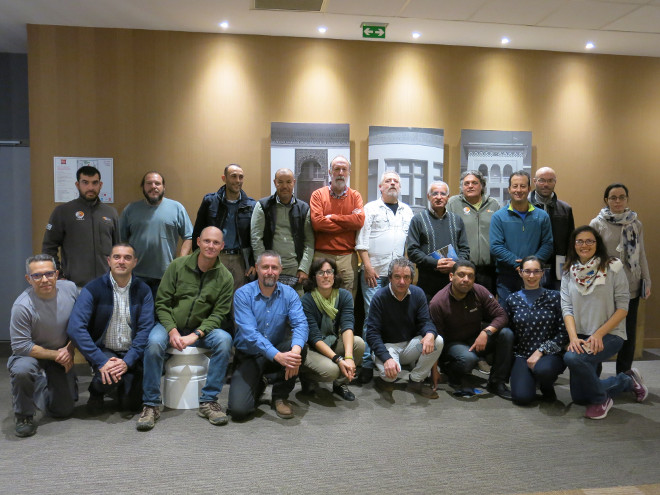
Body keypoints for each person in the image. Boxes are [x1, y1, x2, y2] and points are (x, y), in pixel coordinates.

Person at [137, 227, 234, 431]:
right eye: (207, 241)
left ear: (222, 246)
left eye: (216, 243)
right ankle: (151, 404)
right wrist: (172, 330)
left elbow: (219, 314)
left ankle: (208, 401)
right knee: (154, 344)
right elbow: (162, 303)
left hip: (200, 331)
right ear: (198, 241)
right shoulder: (177, 266)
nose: (211, 246)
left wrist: (196, 334)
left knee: (225, 340)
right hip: (169, 325)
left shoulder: (225, 277)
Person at [561, 226, 648, 420]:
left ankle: (601, 399)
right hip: (581, 336)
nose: (584, 245)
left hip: (610, 334)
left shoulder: (613, 266)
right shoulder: (569, 271)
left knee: (573, 359)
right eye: (580, 241)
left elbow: (623, 307)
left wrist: (599, 334)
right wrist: (573, 338)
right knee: (580, 397)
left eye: (589, 241)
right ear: (573, 245)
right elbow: (566, 308)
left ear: (597, 243)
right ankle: (626, 380)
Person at [67, 243, 154, 414]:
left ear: (135, 262)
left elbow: (145, 329)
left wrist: (127, 361)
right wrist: (101, 360)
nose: (121, 261)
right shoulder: (92, 289)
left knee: (133, 405)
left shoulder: (143, 290)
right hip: (104, 351)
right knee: (109, 376)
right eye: (117, 257)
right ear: (109, 261)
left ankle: (121, 387)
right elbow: (75, 328)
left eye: (127, 258)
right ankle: (97, 392)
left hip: (132, 353)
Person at [229, 251, 309, 420]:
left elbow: (301, 324)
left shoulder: (290, 294)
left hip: (277, 351)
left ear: (280, 270)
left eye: (274, 267)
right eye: (265, 267)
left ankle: (280, 396)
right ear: (257, 268)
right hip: (249, 354)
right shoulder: (243, 294)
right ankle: (262, 381)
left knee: (299, 347)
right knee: (239, 411)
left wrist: (294, 352)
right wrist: (277, 355)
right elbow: (250, 334)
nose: (270, 271)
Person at [8, 254, 78, 437]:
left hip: (61, 351)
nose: (44, 279)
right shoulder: (22, 306)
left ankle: (43, 383)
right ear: (28, 279)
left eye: (49, 274)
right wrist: (57, 355)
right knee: (22, 370)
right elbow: (21, 346)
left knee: (63, 411)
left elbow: (81, 324)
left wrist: (69, 348)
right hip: (30, 355)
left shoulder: (70, 289)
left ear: (56, 274)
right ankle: (23, 415)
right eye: (37, 276)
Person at [355, 171, 413, 383]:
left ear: (400, 187)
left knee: (394, 317)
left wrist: (407, 273)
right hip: (375, 273)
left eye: (396, 181)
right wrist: (368, 267)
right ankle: (368, 365)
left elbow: (409, 245)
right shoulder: (370, 209)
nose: (392, 184)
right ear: (380, 187)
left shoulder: (407, 211)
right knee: (372, 316)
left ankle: (387, 359)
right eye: (387, 181)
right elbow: (361, 241)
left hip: (398, 277)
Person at [429, 260, 513, 400]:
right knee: (468, 359)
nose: (466, 279)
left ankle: (496, 382)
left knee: (506, 334)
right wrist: (434, 371)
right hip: (452, 345)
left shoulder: (479, 291)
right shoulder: (438, 302)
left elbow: (502, 315)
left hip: (475, 338)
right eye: (461, 275)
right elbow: (435, 339)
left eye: (470, 276)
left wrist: (486, 331)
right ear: (451, 276)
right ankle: (453, 375)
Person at [590, 183, 651, 375]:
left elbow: (641, 255)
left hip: (631, 285)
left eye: (621, 197)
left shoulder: (635, 223)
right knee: (601, 330)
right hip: (606, 286)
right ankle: (595, 374)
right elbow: (592, 256)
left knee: (628, 333)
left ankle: (624, 374)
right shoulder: (597, 223)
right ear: (606, 200)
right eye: (613, 197)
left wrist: (646, 281)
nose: (617, 201)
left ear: (626, 199)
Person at [365, 258, 443, 399]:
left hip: (409, 347)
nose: (402, 282)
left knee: (438, 340)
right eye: (397, 277)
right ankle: (384, 379)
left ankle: (416, 381)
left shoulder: (418, 293)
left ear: (412, 279)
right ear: (390, 278)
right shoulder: (379, 297)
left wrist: (430, 334)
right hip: (387, 347)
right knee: (390, 376)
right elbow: (372, 334)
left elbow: (426, 321)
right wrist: (386, 358)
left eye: (406, 277)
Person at [502, 256, 567, 404]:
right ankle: (530, 380)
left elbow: (563, 332)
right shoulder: (512, 300)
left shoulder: (555, 297)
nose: (531, 276)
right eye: (527, 271)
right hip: (523, 354)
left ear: (542, 273)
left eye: (536, 271)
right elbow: (508, 330)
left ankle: (546, 385)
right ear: (520, 272)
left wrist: (541, 351)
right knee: (521, 398)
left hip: (550, 354)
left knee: (544, 370)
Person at [42, 165, 119, 287]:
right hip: (74, 286)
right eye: (85, 183)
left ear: (100, 185)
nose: (90, 187)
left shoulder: (111, 213)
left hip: (106, 285)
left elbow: (118, 249)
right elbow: (48, 247)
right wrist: (58, 275)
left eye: (95, 183)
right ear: (77, 185)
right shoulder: (63, 211)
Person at [119, 171, 193, 297]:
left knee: (161, 314)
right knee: (138, 314)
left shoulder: (176, 208)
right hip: (136, 275)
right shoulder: (130, 209)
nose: (153, 186)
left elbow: (189, 236)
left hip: (166, 275)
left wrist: (180, 261)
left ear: (164, 187)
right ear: (143, 187)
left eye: (157, 183)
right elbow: (121, 240)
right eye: (149, 183)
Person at [300, 258, 364, 401]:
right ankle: (305, 375)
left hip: (331, 341)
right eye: (321, 272)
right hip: (311, 348)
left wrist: (348, 357)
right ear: (313, 277)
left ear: (334, 275)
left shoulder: (344, 296)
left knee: (358, 343)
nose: (326, 276)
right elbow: (314, 338)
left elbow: (347, 326)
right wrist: (338, 360)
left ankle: (340, 384)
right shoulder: (307, 301)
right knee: (332, 370)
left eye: (329, 272)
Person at [490, 171, 553, 302]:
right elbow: (495, 246)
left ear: (529, 189)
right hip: (507, 278)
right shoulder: (498, 216)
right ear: (509, 189)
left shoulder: (542, 216)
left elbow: (548, 244)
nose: (519, 190)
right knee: (506, 317)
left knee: (533, 316)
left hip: (534, 276)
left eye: (523, 186)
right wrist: (517, 263)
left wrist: (530, 265)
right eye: (515, 186)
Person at [192, 164, 256, 292]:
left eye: (241, 177)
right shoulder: (210, 201)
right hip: (215, 256)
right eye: (233, 176)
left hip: (240, 260)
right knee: (212, 295)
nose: (238, 180)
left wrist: (254, 262)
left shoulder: (251, 205)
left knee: (238, 300)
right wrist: (197, 258)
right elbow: (198, 232)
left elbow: (255, 237)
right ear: (224, 178)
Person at [309, 155, 365, 298]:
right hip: (322, 256)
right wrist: (348, 224)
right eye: (337, 169)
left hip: (347, 257)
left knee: (347, 301)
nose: (340, 173)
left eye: (344, 169)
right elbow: (318, 223)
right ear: (330, 172)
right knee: (320, 300)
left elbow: (358, 222)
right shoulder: (317, 195)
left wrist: (333, 217)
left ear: (349, 172)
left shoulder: (355, 196)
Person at [250, 168, 314, 290]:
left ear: (294, 182)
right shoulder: (263, 206)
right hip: (270, 268)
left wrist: (304, 268)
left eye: (288, 182)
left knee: (294, 306)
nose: (285, 186)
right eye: (280, 182)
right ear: (275, 183)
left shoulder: (304, 208)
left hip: (295, 269)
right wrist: (263, 265)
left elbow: (309, 242)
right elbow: (256, 238)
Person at [407, 181, 470, 300]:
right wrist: (435, 263)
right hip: (427, 282)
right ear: (428, 196)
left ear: (448, 197)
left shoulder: (457, 220)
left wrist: (455, 264)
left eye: (443, 194)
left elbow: (465, 249)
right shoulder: (418, 220)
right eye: (435, 194)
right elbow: (412, 251)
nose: (439, 197)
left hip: (454, 281)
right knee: (428, 316)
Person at [447, 170, 500, 295]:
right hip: (463, 268)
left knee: (486, 306)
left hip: (488, 269)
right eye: (466, 183)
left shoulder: (494, 204)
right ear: (462, 187)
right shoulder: (453, 204)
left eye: (474, 183)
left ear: (481, 186)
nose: (470, 186)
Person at [529, 167, 575, 290]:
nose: (546, 184)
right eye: (542, 180)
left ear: (555, 182)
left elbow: (571, 241)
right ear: (534, 181)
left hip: (558, 267)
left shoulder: (565, 209)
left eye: (550, 181)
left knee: (557, 305)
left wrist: (569, 263)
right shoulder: (524, 208)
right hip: (532, 267)